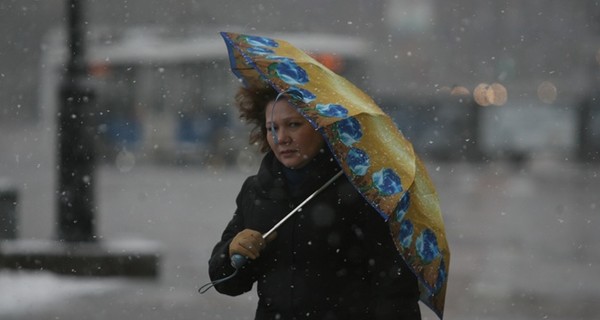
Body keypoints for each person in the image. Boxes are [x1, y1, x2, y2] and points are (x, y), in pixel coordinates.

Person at [208, 82, 421, 319]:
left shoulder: (362, 192)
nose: (281, 138)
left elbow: (395, 287)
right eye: (272, 128)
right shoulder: (256, 191)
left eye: (293, 125)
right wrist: (232, 253)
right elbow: (226, 283)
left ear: (322, 126)